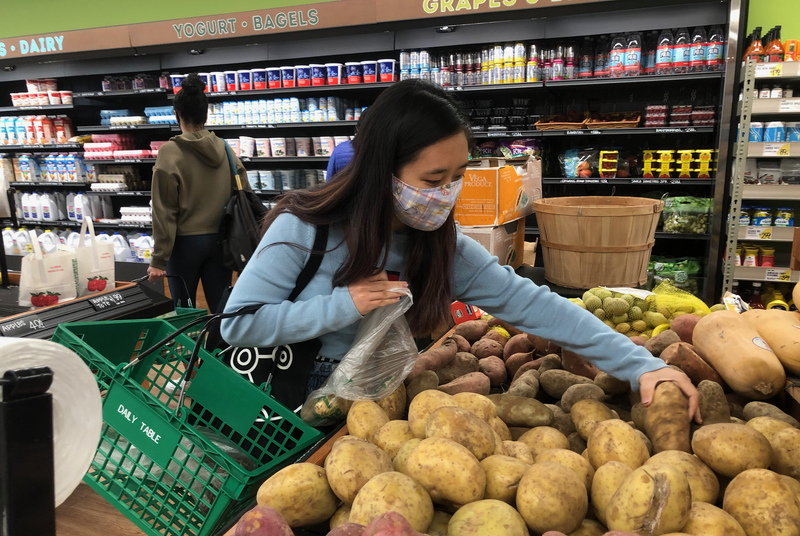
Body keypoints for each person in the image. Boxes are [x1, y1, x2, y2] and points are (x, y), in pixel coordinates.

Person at [221, 80, 700, 420]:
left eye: (456, 177)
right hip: (278, 408)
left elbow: (534, 305)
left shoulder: (441, 249)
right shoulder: (302, 227)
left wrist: (642, 366)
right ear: (379, 169)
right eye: (432, 180)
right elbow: (237, 323)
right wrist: (342, 306)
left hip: (372, 407)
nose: (445, 194)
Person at [147, 73, 251, 312]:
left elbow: (164, 210)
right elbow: (244, 191)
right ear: (206, 115)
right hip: (221, 240)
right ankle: (217, 349)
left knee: (184, 311)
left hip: (184, 245)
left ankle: (188, 349)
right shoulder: (226, 150)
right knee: (220, 310)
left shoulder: (170, 152)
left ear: (177, 115)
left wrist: (159, 259)